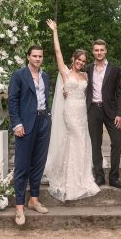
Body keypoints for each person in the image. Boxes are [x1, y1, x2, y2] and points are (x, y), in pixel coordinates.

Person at [45, 19, 100, 201]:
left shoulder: (86, 75)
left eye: (83, 61)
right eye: (78, 60)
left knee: (81, 140)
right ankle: (69, 181)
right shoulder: (65, 73)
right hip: (69, 111)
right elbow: (58, 52)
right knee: (75, 137)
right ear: (73, 59)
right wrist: (55, 31)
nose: (81, 63)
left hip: (82, 112)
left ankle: (81, 175)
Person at [8, 45, 52, 226]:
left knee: (39, 163)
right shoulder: (19, 75)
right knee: (22, 165)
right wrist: (17, 123)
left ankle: (33, 200)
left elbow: (44, 99)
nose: (38, 59)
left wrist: (48, 117)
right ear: (28, 57)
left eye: (40, 56)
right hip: (25, 125)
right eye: (34, 56)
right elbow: (12, 100)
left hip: (43, 123)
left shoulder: (46, 76)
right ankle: (19, 206)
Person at [86, 39, 121, 189]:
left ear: (106, 51)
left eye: (101, 50)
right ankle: (99, 176)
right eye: (96, 50)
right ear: (93, 51)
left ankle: (114, 177)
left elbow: (120, 93)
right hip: (93, 110)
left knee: (117, 142)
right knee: (95, 144)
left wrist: (120, 113)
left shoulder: (115, 70)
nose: (99, 52)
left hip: (111, 111)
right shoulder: (88, 69)